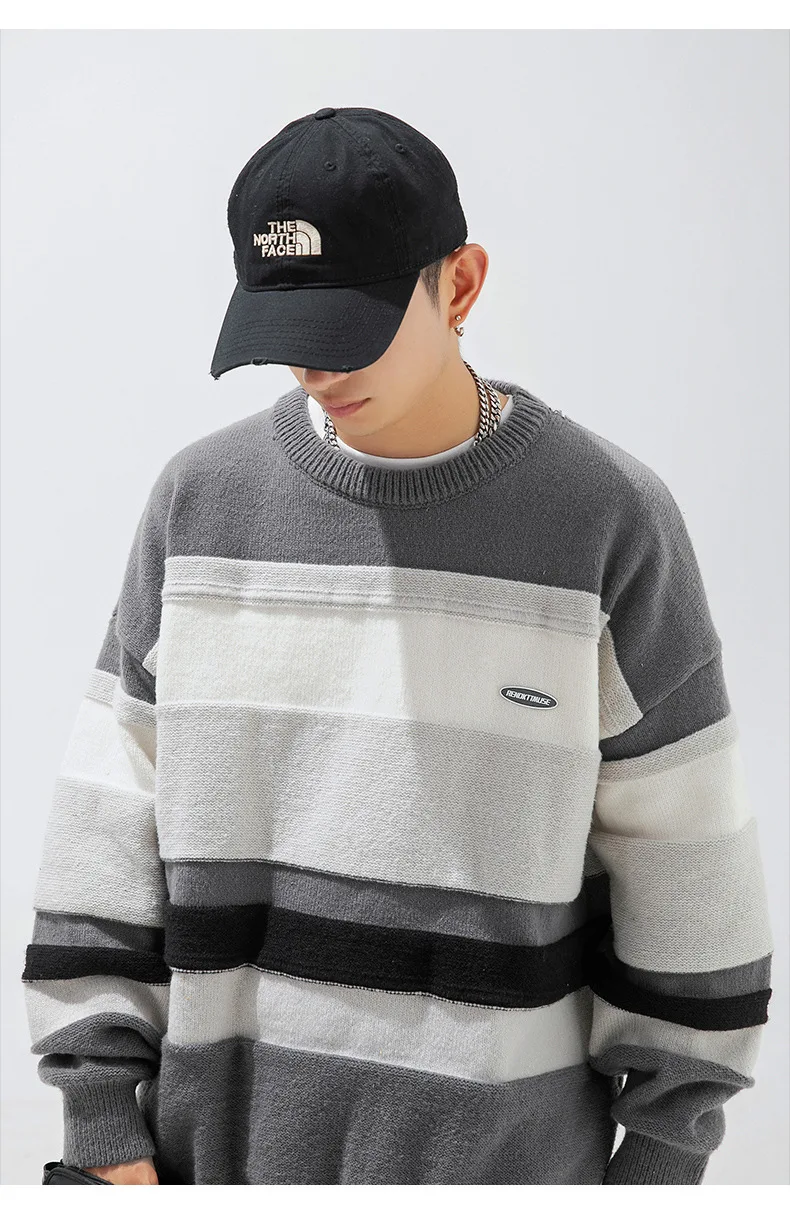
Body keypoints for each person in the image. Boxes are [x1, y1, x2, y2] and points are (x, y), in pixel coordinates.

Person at [21, 106, 773, 1187]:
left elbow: (687, 862)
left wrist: (659, 1164)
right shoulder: (201, 505)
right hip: (209, 1167)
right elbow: (107, 815)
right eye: (288, 332)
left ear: (459, 285)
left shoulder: (605, 522)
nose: (317, 372)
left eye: (351, 326)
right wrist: (101, 1123)